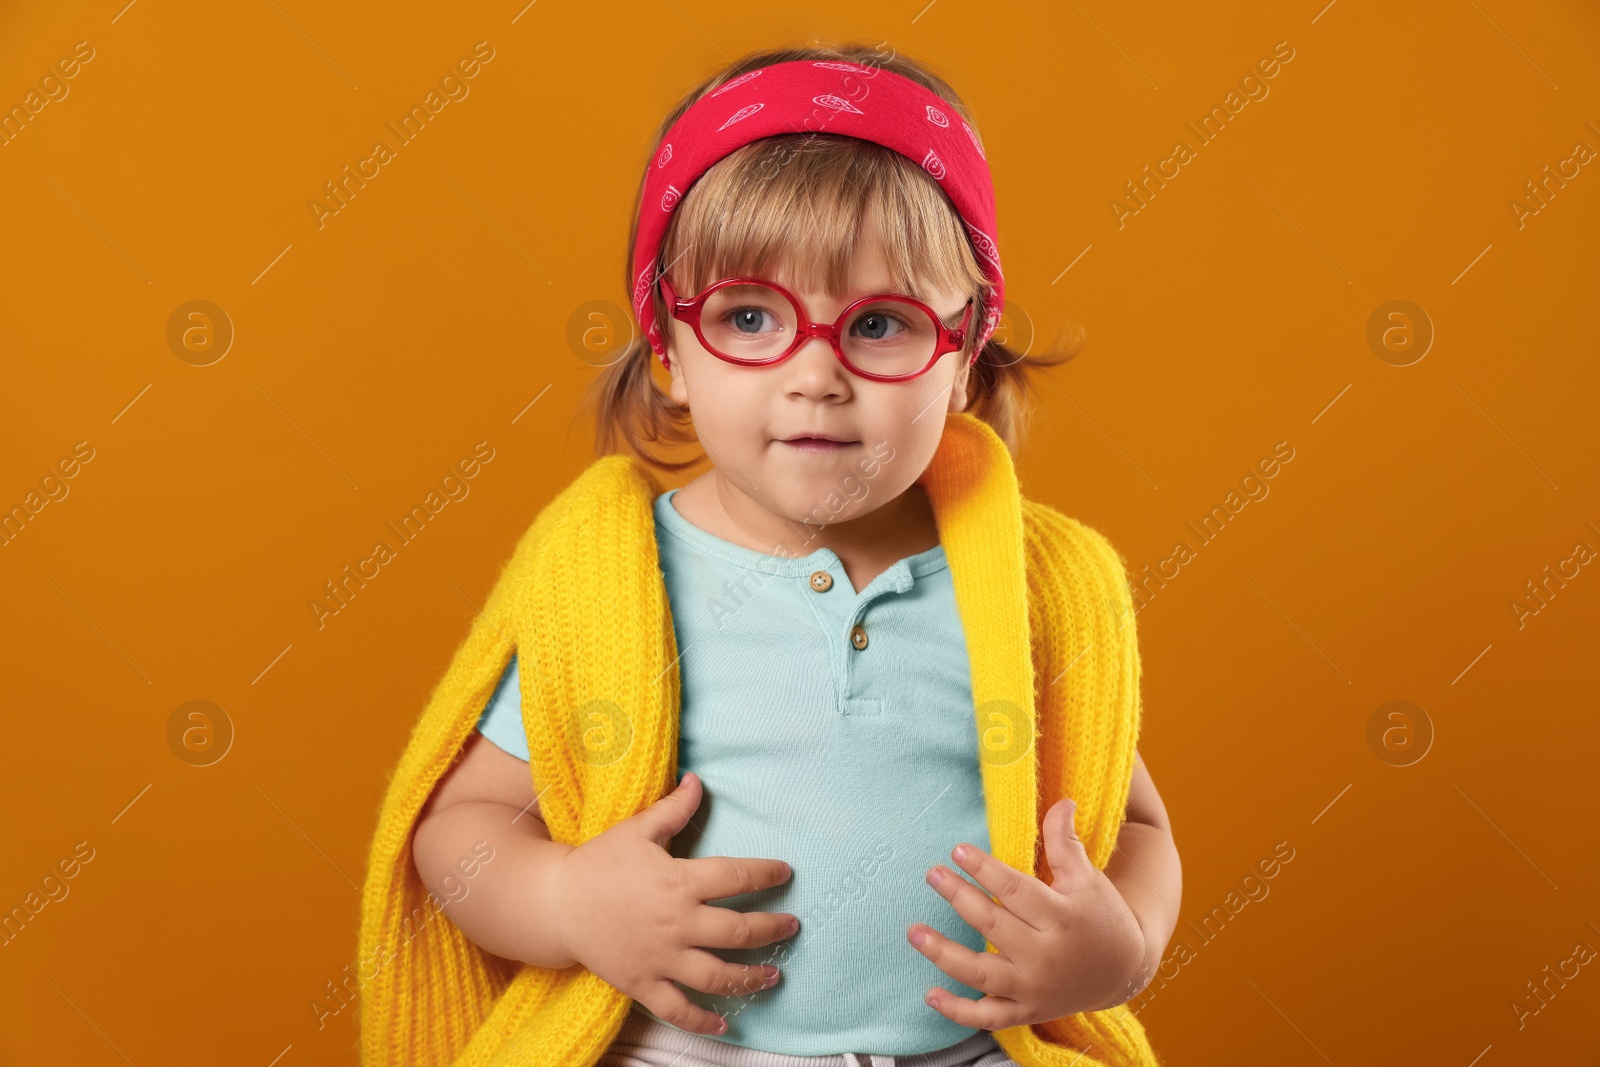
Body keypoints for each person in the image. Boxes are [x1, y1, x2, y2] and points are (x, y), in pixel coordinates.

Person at [359, 42, 1181, 1067]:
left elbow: (1133, 825)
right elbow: (461, 827)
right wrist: (569, 900)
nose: (816, 375)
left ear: (964, 352)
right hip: (676, 1048)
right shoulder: (616, 582)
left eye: (878, 323)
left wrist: (1123, 946)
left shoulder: (1032, 588)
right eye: (751, 316)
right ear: (667, 342)